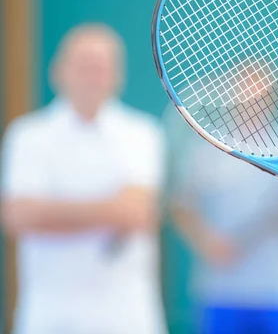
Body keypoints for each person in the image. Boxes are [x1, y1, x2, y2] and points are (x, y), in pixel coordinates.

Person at [0, 23, 167, 334]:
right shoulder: (26, 135)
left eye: (102, 67)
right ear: (58, 70)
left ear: (118, 75)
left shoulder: (143, 134)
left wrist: (51, 213)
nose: (92, 76)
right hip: (48, 321)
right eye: (83, 65)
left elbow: (136, 212)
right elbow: (19, 216)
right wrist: (110, 210)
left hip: (129, 321)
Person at [164, 60, 278, 334]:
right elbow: (181, 206)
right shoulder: (208, 143)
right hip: (219, 292)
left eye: (262, 93)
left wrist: (253, 234)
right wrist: (207, 241)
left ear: (275, 96)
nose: (254, 100)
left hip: (275, 291)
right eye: (246, 91)